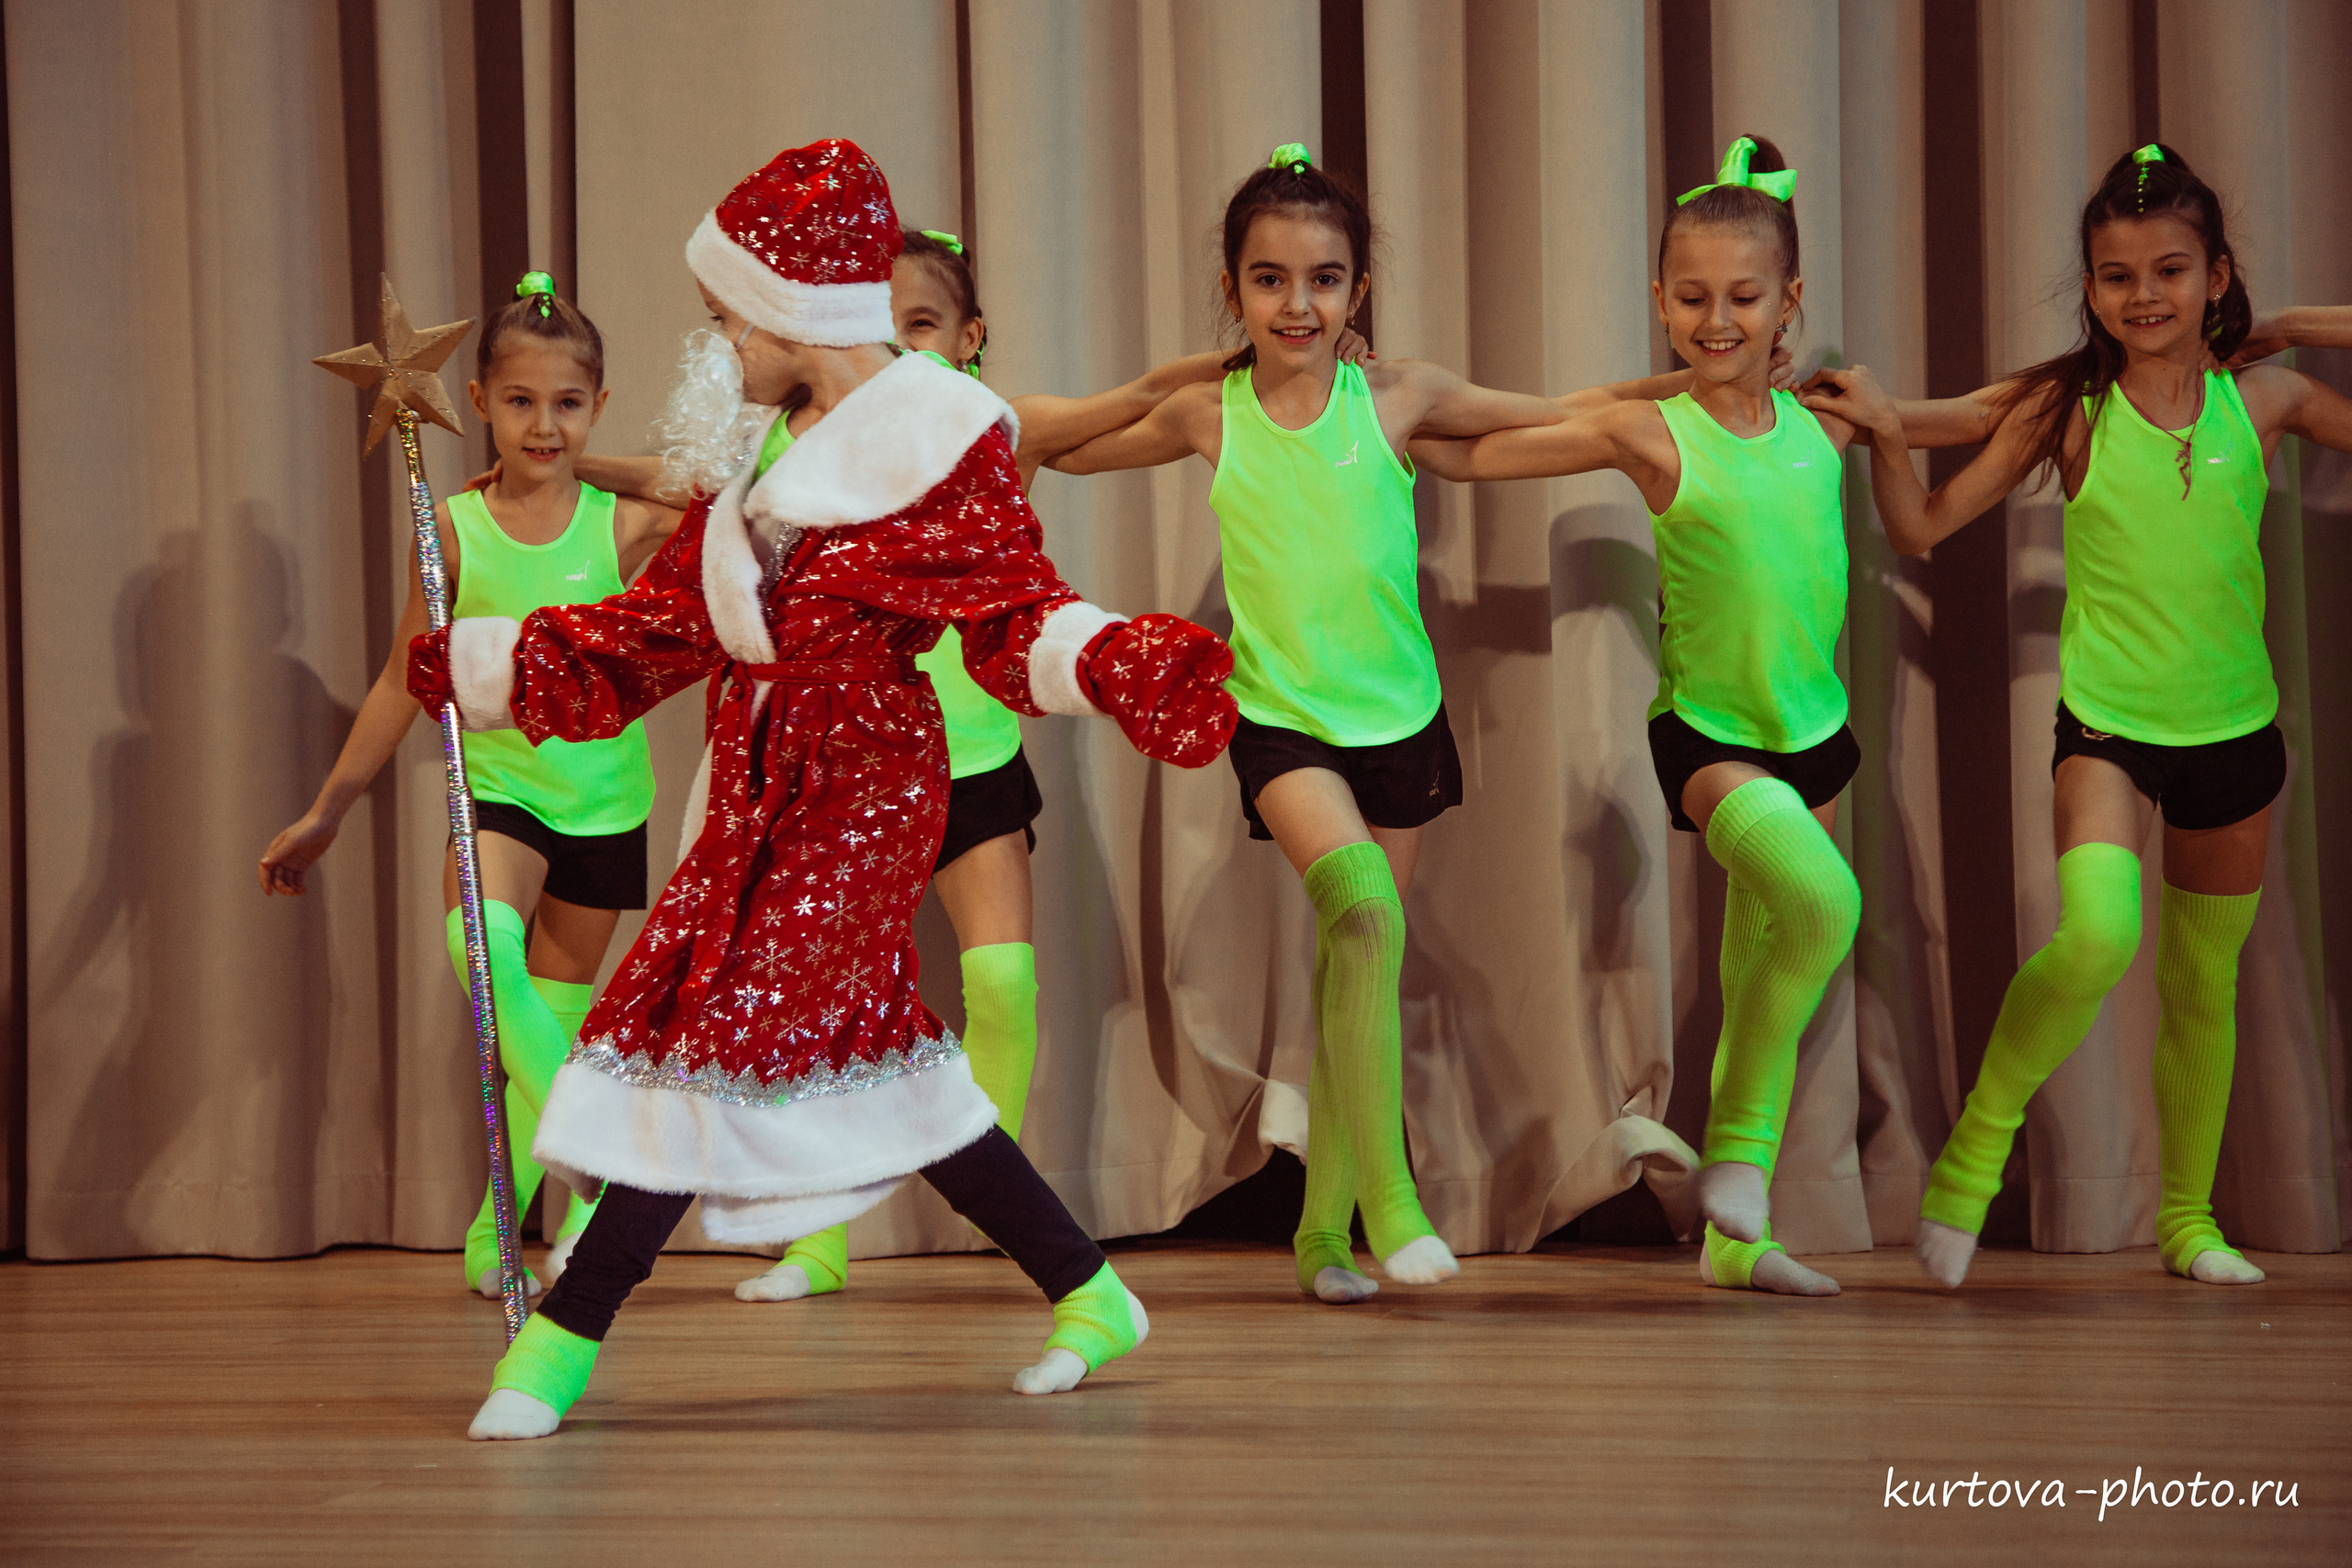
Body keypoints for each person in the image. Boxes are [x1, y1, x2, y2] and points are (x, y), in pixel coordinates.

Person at [407, 139, 1238, 1440]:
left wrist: (1124, 663)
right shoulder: (771, 459)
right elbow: (669, 624)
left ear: (797, 308)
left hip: (861, 793)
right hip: (754, 790)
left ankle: (561, 1345)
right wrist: (505, 661)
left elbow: (1020, 620)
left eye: (732, 312)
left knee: (711, 1039)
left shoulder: (943, 439)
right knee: (894, 1074)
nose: (721, 338)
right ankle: (1090, 1287)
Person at [1049, 143, 1578, 1303]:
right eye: (1270, 279)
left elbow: (1557, 419)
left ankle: (1320, 1238)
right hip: (1280, 722)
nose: (1299, 303)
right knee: (1362, 907)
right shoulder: (1207, 408)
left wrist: (1686, 405)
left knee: (1361, 962)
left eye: (1324, 280)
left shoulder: (1402, 396)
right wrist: (1146, 380)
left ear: (1358, 291)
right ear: (1234, 291)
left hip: (1400, 719)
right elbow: (1053, 447)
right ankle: (1392, 1203)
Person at [1412, 136, 1928, 1295]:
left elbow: (1925, 508)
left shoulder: (1826, 425)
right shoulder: (1653, 432)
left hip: (1816, 737)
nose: (1716, 319)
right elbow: (1472, 453)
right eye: (1690, 298)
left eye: (1743, 297)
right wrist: (1386, 407)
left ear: (1789, 300)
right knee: (1823, 904)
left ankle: (1734, 1246)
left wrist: (1892, 426)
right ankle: (1739, 1162)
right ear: (1658, 301)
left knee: (1766, 969)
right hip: (1708, 737)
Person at [1872, 144, 2352, 1289]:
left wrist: (2289, 321)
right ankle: (1971, 1158)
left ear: (2214, 277)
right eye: (2115, 275)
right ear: (2087, 290)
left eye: (2170, 271)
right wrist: (1885, 432)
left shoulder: (2266, 396)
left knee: (2203, 987)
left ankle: (2187, 1221)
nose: (2143, 296)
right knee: (2095, 938)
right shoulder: (2067, 408)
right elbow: (1923, 525)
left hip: (2236, 738)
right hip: (2110, 732)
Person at [260, 274, 680, 1297]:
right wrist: (328, 809)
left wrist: (592, 461)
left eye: (569, 404)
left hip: (605, 799)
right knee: (483, 956)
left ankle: (502, 1220)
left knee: (549, 1017)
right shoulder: (454, 526)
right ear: (481, 401)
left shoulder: (621, 524)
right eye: (522, 401)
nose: (545, 424)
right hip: (501, 789)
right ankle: (597, 1162)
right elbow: (408, 678)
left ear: (599, 409)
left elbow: (706, 485)